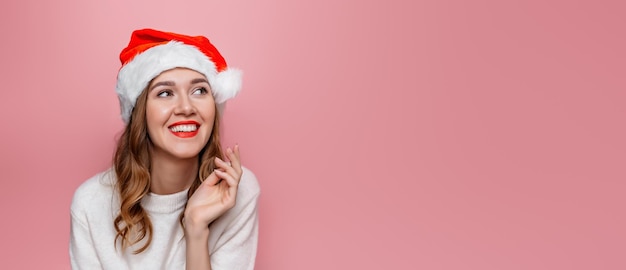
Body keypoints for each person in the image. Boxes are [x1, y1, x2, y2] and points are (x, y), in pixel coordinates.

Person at [69, 28, 260, 270]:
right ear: (140, 114)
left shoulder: (237, 191)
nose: (186, 107)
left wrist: (196, 228)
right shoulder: (90, 204)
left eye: (199, 90)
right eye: (165, 93)